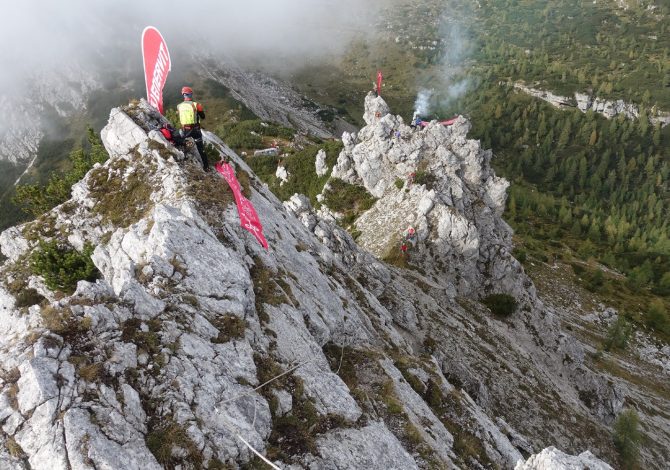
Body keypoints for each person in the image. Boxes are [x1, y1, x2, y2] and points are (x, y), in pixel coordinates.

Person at [177, 86, 209, 170]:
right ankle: (206, 167)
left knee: (180, 142)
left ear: (183, 95)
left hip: (185, 131)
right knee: (201, 148)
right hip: (196, 130)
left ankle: (184, 161)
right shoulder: (197, 105)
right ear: (190, 94)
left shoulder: (179, 106)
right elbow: (203, 117)